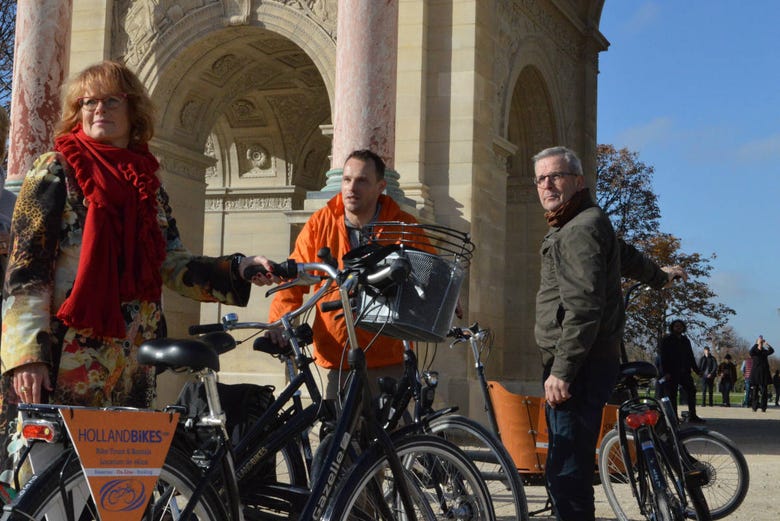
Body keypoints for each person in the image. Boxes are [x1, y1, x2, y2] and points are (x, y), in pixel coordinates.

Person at [0, 61, 280, 478]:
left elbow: (172, 263)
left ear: (134, 112)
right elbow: (26, 273)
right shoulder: (55, 170)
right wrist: (26, 357)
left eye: (111, 100)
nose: (98, 109)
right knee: (49, 486)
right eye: (87, 102)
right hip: (64, 361)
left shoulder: (147, 184)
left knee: (120, 489)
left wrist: (237, 268)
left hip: (131, 362)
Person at [532, 146, 686, 521]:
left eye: (556, 176)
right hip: (591, 357)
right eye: (540, 179)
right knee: (571, 462)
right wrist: (659, 276)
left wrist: (563, 370)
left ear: (578, 181)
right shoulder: (587, 219)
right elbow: (626, 255)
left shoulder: (578, 229)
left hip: (578, 363)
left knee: (566, 470)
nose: (547, 185)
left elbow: (584, 306)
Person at [267, 149, 421, 400]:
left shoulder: (403, 225)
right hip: (340, 355)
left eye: (362, 181)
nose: (351, 188)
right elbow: (294, 278)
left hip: (388, 356)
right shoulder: (321, 222)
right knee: (338, 434)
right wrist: (278, 322)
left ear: (381, 186)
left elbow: (429, 270)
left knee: (393, 437)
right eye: (347, 179)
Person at [658, 320, 704, 423]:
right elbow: (663, 357)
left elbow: (690, 356)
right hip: (671, 372)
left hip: (685, 371)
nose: (678, 328)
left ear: (683, 328)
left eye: (680, 326)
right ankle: (674, 418)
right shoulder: (667, 340)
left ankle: (692, 415)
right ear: (672, 327)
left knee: (691, 391)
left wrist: (697, 370)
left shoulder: (685, 340)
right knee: (672, 395)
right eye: (676, 326)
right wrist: (665, 372)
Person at [748, 335, 774, 412]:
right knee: (755, 391)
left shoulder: (764, 351)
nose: (761, 344)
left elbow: (772, 351)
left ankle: (763, 407)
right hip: (755, 373)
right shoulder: (754, 352)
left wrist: (766, 344)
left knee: (764, 391)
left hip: (764, 373)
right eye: (760, 343)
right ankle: (754, 406)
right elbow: (750, 352)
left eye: (761, 343)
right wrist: (756, 343)